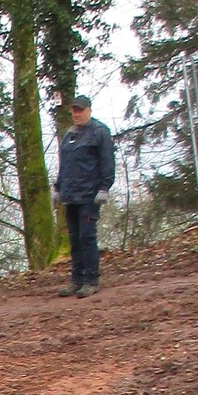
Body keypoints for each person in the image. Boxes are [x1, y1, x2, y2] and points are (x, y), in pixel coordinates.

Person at [53, 93, 117, 298]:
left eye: (80, 110)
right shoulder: (69, 135)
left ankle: (91, 280)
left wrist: (104, 188)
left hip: (89, 195)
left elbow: (107, 162)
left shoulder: (99, 132)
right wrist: (58, 188)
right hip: (70, 195)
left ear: (89, 110)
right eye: (74, 111)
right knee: (74, 239)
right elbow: (65, 165)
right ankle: (77, 279)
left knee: (87, 237)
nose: (77, 114)